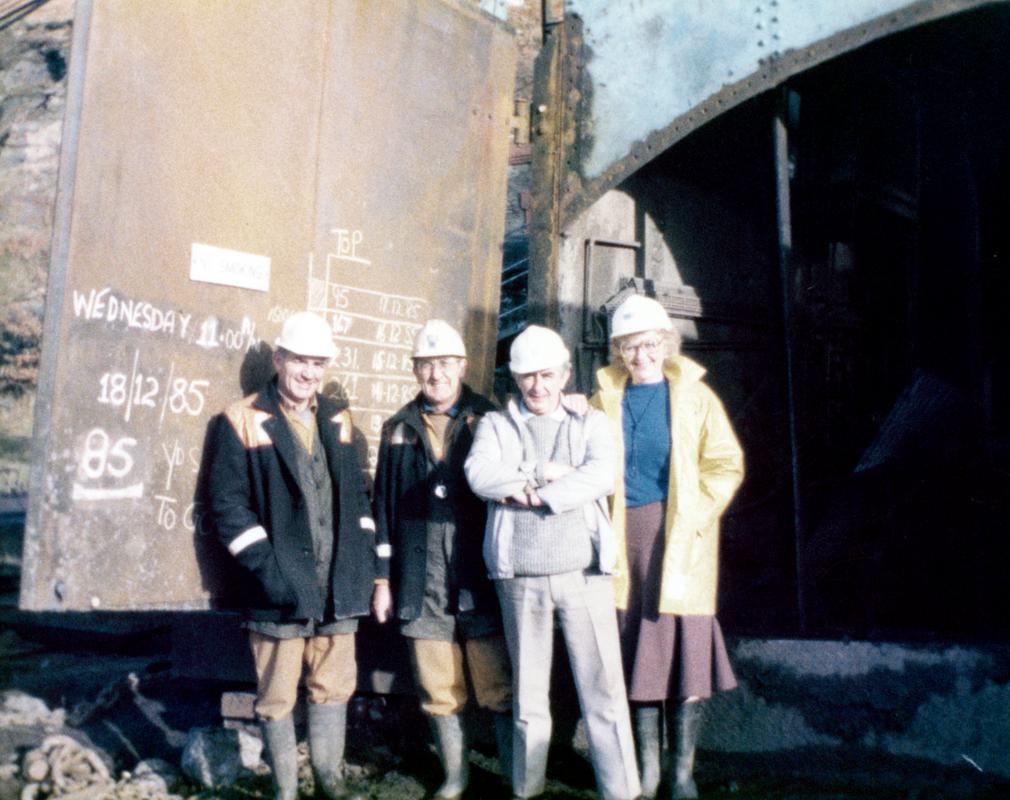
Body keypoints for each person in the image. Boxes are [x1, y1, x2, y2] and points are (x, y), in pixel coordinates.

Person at [204, 311, 378, 800]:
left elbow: (360, 496)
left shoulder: (338, 421)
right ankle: (285, 792)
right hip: (276, 591)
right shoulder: (241, 420)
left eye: (318, 363)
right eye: (300, 360)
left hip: (336, 589)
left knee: (334, 688)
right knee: (277, 696)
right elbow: (228, 508)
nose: (309, 373)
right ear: (278, 360)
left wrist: (359, 562)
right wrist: (270, 574)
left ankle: (331, 783)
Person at [465, 325, 641, 800]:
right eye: (526, 376)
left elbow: (601, 476)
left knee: (603, 691)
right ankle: (526, 789)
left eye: (546, 374)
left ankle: (621, 790)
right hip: (520, 579)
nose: (537, 386)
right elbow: (480, 475)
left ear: (564, 374)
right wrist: (543, 474)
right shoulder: (495, 426)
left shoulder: (590, 422)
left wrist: (531, 495)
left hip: (584, 576)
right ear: (515, 379)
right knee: (528, 698)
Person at [592, 295, 744, 800]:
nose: (641, 356)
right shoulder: (601, 402)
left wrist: (695, 515)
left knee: (683, 645)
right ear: (618, 351)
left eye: (650, 345)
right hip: (622, 536)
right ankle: (647, 773)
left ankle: (681, 776)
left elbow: (724, 464)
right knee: (637, 647)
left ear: (666, 345)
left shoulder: (696, 399)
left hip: (680, 539)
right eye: (630, 347)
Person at [371, 319, 513, 799]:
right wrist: (383, 580)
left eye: (445, 364)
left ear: (462, 366)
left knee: (496, 682)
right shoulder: (398, 430)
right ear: (415, 370)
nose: (436, 374)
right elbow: (384, 510)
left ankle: (515, 776)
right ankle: (456, 777)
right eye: (426, 365)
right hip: (419, 572)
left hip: (477, 568)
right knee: (438, 685)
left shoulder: (490, 419)